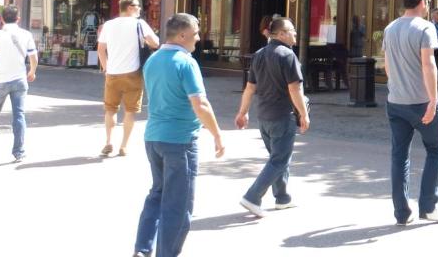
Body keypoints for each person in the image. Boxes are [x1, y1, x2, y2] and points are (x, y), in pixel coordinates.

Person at [133, 13, 225, 257]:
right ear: (182, 35)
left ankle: (142, 249)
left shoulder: (153, 60)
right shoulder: (185, 62)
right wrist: (217, 134)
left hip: (153, 137)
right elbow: (200, 104)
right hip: (180, 140)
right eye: (195, 34)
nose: (198, 39)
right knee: (178, 204)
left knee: (158, 193)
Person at [383, 0, 438, 226]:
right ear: (422, 2)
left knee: (399, 156)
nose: (429, 4)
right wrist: (433, 100)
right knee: (436, 149)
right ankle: (428, 207)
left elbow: (388, 65)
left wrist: (394, 87)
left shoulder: (390, 28)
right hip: (421, 101)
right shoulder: (425, 27)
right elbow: (428, 65)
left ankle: (401, 212)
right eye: (428, 0)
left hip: (396, 101)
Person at [235, 17, 310, 217]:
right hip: (282, 115)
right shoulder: (288, 56)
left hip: (264, 116)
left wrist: (243, 112)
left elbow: (250, 87)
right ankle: (252, 196)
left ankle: (282, 198)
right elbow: (295, 89)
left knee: (277, 158)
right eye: (292, 30)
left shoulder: (259, 54)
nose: (295, 33)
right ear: (282, 34)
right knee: (279, 160)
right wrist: (304, 114)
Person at [97, 0, 159, 156]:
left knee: (110, 110)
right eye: (138, 6)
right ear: (130, 7)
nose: (140, 9)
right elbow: (155, 43)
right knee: (130, 111)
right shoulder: (139, 24)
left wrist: (106, 67)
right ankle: (124, 145)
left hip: (112, 73)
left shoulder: (109, 25)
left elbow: (101, 49)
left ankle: (108, 141)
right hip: (133, 73)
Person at [0, 6, 37, 162]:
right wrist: (32, 71)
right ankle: (19, 151)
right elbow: (33, 57)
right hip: (20, 81)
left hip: (0, 81)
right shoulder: (26, 34)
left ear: (1, 19)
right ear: (18, 18)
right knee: (19, 116)